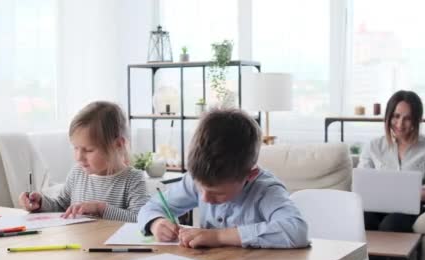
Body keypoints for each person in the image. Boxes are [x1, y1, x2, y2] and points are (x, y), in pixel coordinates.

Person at [137, 108, 309, 249]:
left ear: (250, 175)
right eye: (200, 188)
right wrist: (156, 223)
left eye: (217, 193)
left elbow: (297, 231)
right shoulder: (196, 179)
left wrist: (219, 236)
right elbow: (151, 207)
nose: (204, 198)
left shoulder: (266, 191)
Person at [359, 90, 425, 260]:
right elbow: (363, 180)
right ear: (388, 116)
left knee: (391, 224)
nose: (400, 124)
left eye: (407, 118)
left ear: (417, 119)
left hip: (410, 207)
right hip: (376, 205)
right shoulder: (374, 146)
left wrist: (416, 193)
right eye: (396, 116)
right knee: (363, 221)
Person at [19, 101, 150, 222]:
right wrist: (40, 203)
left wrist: (101, 209)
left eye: (88, 150)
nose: (79, 157)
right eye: (75, 148)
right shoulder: (77, 173)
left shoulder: (133, 179)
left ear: (118, 145)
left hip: (110, 246)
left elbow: (140, 219)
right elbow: (61, 206)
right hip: (79, 244)